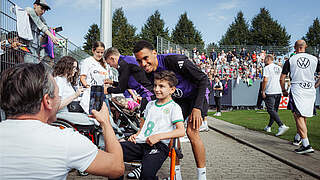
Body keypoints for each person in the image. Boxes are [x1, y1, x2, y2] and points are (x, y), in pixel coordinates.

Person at [0, 63, 124, 179]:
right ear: (47, 101)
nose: (59, 99)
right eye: (58, 95)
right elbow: (117, 167)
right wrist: (106, 122)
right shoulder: (66, 140)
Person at [133, 40, 209, 180]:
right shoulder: (147, 73)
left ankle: (202, 177)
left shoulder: (174, 61)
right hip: (179, 99)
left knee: (192, 133)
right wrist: (142, 117)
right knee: (172, 133)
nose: (143, 64)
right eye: (139, 61)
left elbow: (203, 79)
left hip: (196, 96)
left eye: (146, 58)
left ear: (154, 53)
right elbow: (148, 95)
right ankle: (176, 174)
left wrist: (197, 108)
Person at [111, 70, 185, 180]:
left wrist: (158, 136)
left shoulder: (174, 107)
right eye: (155, 85)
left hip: (158, 146)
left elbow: (181, 131)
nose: (156, 89)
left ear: (172, 89)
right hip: (141, 143)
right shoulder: (150, 104)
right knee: (113, 152)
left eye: (161, 86)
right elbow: (143, 126)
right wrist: (137, 134)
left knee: (146, 176)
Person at [280, 40, 320, 154]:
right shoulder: (314, 59)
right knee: (303, 115)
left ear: (294, 47)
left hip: (297, 89)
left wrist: (283, 90)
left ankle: (306, 144)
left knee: (298, 115)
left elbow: (282, 78)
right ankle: (298, 138)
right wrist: (316, 85)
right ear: (305, 47)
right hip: (310, 90)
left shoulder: (291, 60)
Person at [103, 47, 154, 114]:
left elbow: (121, 89)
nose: (110, 66)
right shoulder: (126, 59)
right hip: (148, 92)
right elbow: (127, 85)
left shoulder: (123, 64)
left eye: (109, 63)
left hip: (148, 93)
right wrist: (113, 83)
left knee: (144, 119)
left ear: (112, 58)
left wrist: (108, 90)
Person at [261, 54, 289, 136]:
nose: (264, 60)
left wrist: (263, 91)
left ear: (269, 59)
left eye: (265, 59)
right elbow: (281, 79)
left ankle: (281, 125)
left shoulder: (267, 68)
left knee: (270, 110)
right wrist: (283, 89)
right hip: (278, 91)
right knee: (274, 111)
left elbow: (265, 79)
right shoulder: (279, 68)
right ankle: (269, 126)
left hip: (270, 91)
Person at [79, 41, 108, 113]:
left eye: (102, 52)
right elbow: (82, 77)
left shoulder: (104, 64)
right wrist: (88, 87)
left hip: (103, 94)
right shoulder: (87, 61)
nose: (100, 54)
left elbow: (106, 80)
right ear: (93, 50)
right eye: (98, 52)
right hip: (92, 95)